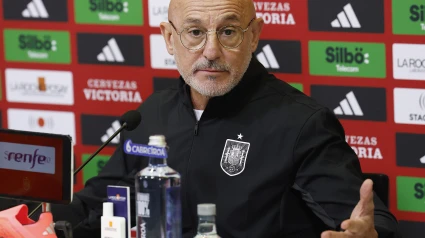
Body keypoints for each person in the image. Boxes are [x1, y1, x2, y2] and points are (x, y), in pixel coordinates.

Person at [47, 0, 401, 237]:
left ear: (254, 36)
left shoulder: (302, 124)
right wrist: (44, 223)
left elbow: (370, 222)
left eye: (228, 32)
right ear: (170, 38)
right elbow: (100, 201)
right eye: (195, 32)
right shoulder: (151, 113)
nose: (212, 51)